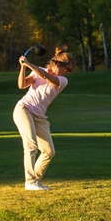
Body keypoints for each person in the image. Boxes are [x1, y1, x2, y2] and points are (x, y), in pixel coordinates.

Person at [13, 47, 73, 191]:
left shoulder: (62, 80)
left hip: (39, 117)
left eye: (69, 71)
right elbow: (22, 85)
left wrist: (28, 64)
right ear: (58, 65)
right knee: (31, 145)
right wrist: (23, 67)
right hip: (24, 109)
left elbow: (47, 77)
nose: (68, 72)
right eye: (67, 69)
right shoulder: (38, 70)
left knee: (48, 151)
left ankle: (35, 180)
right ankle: (30, 182)